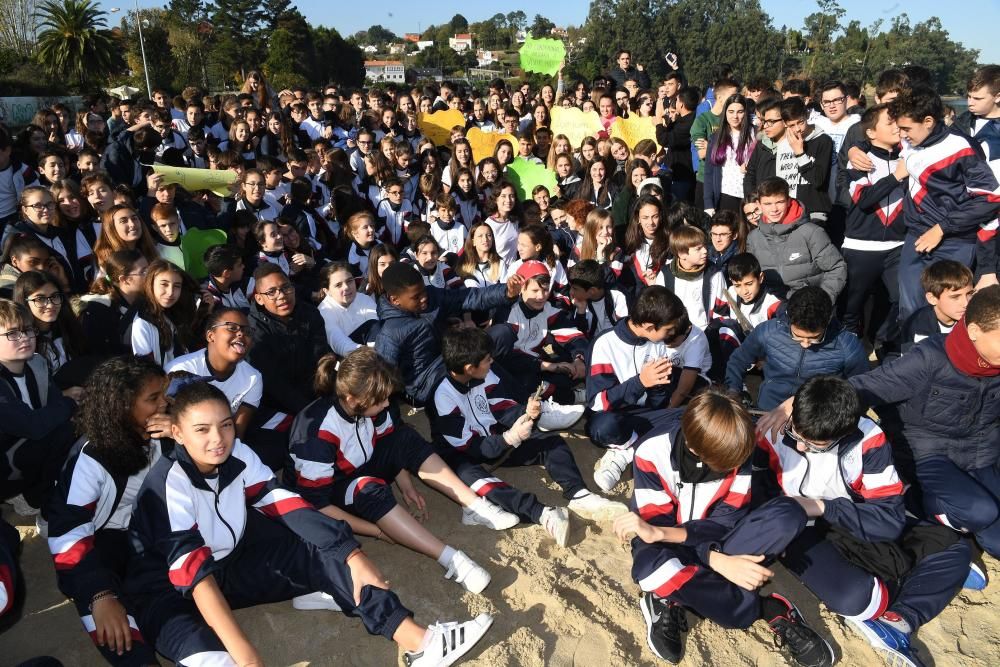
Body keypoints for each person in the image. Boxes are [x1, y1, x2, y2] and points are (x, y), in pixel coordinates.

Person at [127, 380, 495, 667]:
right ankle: (311, 589)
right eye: (202, 430)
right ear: (176, 432)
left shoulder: (236, 452)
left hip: (232, 565)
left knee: (328, 550)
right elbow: (195, 577)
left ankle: (422, 643)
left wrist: (351, 553)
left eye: (225, 425)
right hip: (171, 593)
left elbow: (285, 503)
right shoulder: (167, 486)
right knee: (223, 660)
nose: (218, 439)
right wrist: (247, 653)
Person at [756, 376, 973, 667]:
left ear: (846, 432)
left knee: (957, 550)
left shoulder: (868, 438)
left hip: (849, 515)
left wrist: (822, 506)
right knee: (858, 600)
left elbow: (888, 521)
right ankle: (907, 585)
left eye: (816, 445)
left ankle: (901, 619)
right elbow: (755, 490)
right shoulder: (774, 428)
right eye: (797, 436)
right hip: (800, 529)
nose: (803, 448)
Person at [612, 389, 833, 667]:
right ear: (695, 449)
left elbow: (725, 522)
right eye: (729, 464)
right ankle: (764, 608)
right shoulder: (650, 452)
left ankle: (684, 593)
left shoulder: (738, 446)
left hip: (718, 540)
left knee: (789, 514)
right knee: (652, 570)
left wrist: (717, 558)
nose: (738, 467)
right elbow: (656, 528)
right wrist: (717, 561)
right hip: (667, 541)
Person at [290, 349, 508, 593]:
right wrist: (378, 532)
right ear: (353, 399)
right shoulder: (317, 434)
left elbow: (389, 441)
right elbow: (316, 504)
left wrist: (405, 485)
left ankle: (473, 506)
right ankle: (451, 558)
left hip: (360, 466)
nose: (386, 403)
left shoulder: (368, 403)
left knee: (405, 436)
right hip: (331, 492)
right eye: (380, 399)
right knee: (369, 490)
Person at [431, 327, 625, 547]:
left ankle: (579, 494)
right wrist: (509, 438)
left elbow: (501, 407)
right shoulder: (442, 397)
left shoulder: (483, 375)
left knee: (552, 443)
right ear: (469, 368)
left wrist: (526, 413)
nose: (492, 362)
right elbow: (472, 447)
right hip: (464, 454)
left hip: (496, 439)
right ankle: (542, 513)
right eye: (486, 360)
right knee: (479, 481)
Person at [45, 357, 168, 666]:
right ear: (123, 405)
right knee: (111, 614)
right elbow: (69, 532)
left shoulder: (166, 428)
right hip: (102, 539)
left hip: (148, 529)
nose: (165, 403)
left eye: (163, 394)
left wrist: (181, 434)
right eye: (153, 398)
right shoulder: (92, 455)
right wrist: (99, 593)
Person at [889, 88, 1000, 319]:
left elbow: (990, 198)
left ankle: (945, 354)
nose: (901, 134)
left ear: (928, 121)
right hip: (916, 236)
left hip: (953, 241)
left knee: (949, 312)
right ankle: (911, 353)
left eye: (906, 128)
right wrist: (854, 148)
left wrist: (942, 228)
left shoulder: (961, 147)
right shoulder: (910, 141)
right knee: (909, 309)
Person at [586, 287, 701, 492]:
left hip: (646, 416)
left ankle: (626, 448)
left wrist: (658, 386)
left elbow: (658, 403)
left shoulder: (656, 343)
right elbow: (597, 402)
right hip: (613, 415)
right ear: (649, 326)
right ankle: (625, 451)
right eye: (668, 329)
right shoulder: (605, 343)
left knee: (695, 418)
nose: (672, 333)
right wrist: (641, 382)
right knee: (604, 427)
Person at [375, 260, 523, 408]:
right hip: (425, 385)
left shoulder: (433, 297)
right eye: (416, 297)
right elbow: (383, 379)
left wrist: (507, 292)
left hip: (450, 358)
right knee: (477, 358)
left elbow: (468, 297)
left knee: (501, 335)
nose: (424, 297)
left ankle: (525, 400)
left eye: (424, 291)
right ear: (395, 301)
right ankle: (520, 407)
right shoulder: (390, 333)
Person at [725, 286, 867, 411]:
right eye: (797, 336)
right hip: (769, 409)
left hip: (816, 417)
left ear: (828, 320)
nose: (805, 344)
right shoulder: (768, 332)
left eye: (815, 338)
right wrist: (733, 391)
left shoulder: (847, 345)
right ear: (789, 319)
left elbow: (861, 387)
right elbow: (738, 361)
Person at [247, 264, 332, 470]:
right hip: (272, 405)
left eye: (286, 288)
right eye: (271, 292)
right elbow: (273, 384)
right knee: (295, 439)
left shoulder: (309, 313)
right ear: (259, 298)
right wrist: (310, 411)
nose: (282, 296)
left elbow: (322, 357)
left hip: (312, 390)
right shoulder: (253, 332)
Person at [0, 299, 80, 517]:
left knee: (74, 428)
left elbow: (54, 406)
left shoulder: (37, 363)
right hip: (5, 464)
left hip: (26, 448)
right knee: (63, 432)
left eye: (28, 330)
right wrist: (70, 403)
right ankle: (36, 500)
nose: (24, 338)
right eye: (12, 334)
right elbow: (32, 425)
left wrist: (65, 408)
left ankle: (45, 494)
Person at [840, 104, 907, 348]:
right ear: (870, 132)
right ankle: (848, 352)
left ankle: (884, 345)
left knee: (901, 300)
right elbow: (865, 199)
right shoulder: (859, 160)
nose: (896, 126)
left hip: (898, 246)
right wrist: (896, 177)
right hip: (861, 247)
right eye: (889, 123)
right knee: (852, 306)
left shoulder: (909, 154)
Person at [166, 307, 261, 440]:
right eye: (232, 328)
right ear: (211, 336)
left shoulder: (253, 378)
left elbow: (237, 434)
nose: (241, 334)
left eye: (247, 331)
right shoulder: (181, 369)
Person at [747, 177, 846, 301]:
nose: (774, 209)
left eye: (779, 202)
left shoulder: (811, 232)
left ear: (788, 201)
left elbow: (836, 268)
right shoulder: (753, 238)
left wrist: (820, 303)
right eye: (768, 204)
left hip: (805, 306)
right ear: (759, 205)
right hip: (770, 306)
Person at [653, 224, 728, 331]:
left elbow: (722, 310)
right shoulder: (665, 275)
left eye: (704, 246)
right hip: (674, 334)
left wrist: (711, 332)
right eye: (698, 249)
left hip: (706, 333)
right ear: (682, 254)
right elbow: (659, 310)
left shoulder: (714, 274)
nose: (705, 251)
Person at [124, 259, 196, 367]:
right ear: (150, 284)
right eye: (164, 284)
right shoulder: (141, 322)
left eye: (176, 286)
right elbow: (146, 369)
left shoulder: (174, 312)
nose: (171, 292)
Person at [900, 260, 973, 354]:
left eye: (969, 294)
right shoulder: (920, 329)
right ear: (932, 298)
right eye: (955, 297)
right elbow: (917, 366)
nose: (966, 303)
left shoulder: (974, 316)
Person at [691, 77, 740, 210]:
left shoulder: (737, 120)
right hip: (707, 181)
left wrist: (711, 146)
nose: (736, 100)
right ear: (719, 98)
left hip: (732, 184)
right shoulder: (703, 121)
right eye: (732, 96)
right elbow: (701, 153)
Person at [703, 94, 756, 215]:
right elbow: (709, 172)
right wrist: (708, 203)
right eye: (731, 111)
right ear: (725, 112)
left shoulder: (756, 134)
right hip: (725, 196)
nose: (735, 116)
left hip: (749, 197)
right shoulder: (716, 137)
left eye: (740, 112)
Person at [317, 262, 379, 357]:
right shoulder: (324, 311)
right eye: (338, 285)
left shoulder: (364, 299)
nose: (346, 287)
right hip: (350, 361)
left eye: (349, 281)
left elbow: (378, 328)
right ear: (327, 291)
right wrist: (369, 354)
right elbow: (340, 343)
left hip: (374, 352)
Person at [568, 259, 628, 339]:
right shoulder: (579, 300)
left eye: (575, 288)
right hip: (593, 344)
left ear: (592, 291)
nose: (571, 292)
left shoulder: (617, 295)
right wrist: (581, 311)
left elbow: (625, 328)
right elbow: (580, 336)